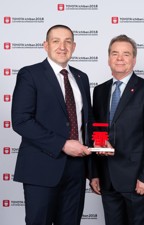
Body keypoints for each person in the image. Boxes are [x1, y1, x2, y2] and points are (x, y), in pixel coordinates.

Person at [11, 24, 92, 225]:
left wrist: (95, 161)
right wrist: (63, 144)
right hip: (41, 168)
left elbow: (86, 123)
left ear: (74, 47)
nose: (62, 46)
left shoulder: (81, 78)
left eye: (67, 42)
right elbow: (21, 120)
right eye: (56, 41)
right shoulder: (30, 74)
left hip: (76, 169)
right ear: (45, 45)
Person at [89, 34, 144, 225]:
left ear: (134, 59)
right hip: (107, 181)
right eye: (115, 54)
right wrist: (94, 173)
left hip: (137, 181)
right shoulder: (99, 91)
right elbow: (99, 129)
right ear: (108, 59)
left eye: (126, 54)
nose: (120, 58)